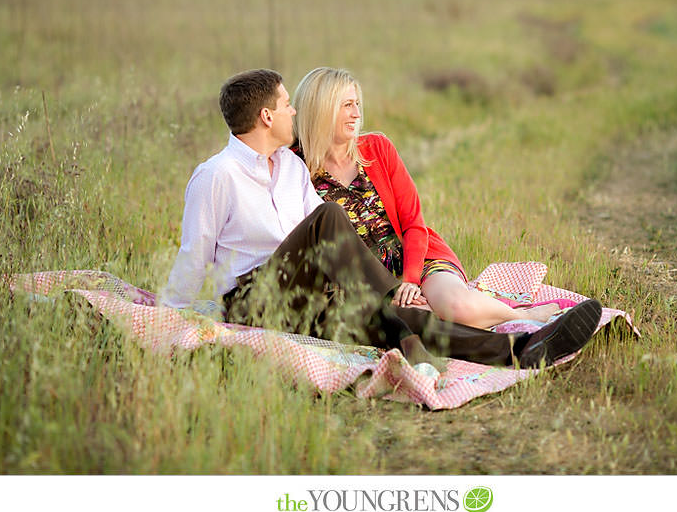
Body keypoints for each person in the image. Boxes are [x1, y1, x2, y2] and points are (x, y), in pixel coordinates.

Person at [162, 68, 602, 370]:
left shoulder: (291, 169)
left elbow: (342, 243)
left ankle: (521, 349)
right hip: (254, 300)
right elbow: (194, 253)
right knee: (331, 219)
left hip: (308, 297)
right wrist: (172, 319)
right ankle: (393, 304)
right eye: (285, 104)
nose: (292, 110)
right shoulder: (216, 175)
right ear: (266, 116)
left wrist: (377, 296)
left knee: (391, 321)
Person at [292, 66, 570, 330]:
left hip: (418, 261)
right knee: (424, 321)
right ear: (322, 109)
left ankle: (522, 315)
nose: (356, 114)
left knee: (456, 307)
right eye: (346, 105)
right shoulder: (294, 167)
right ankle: (496, 322)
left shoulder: (377, 148)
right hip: (367, 282)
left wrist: (411, 281)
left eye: (357, 104)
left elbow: (414, 222)